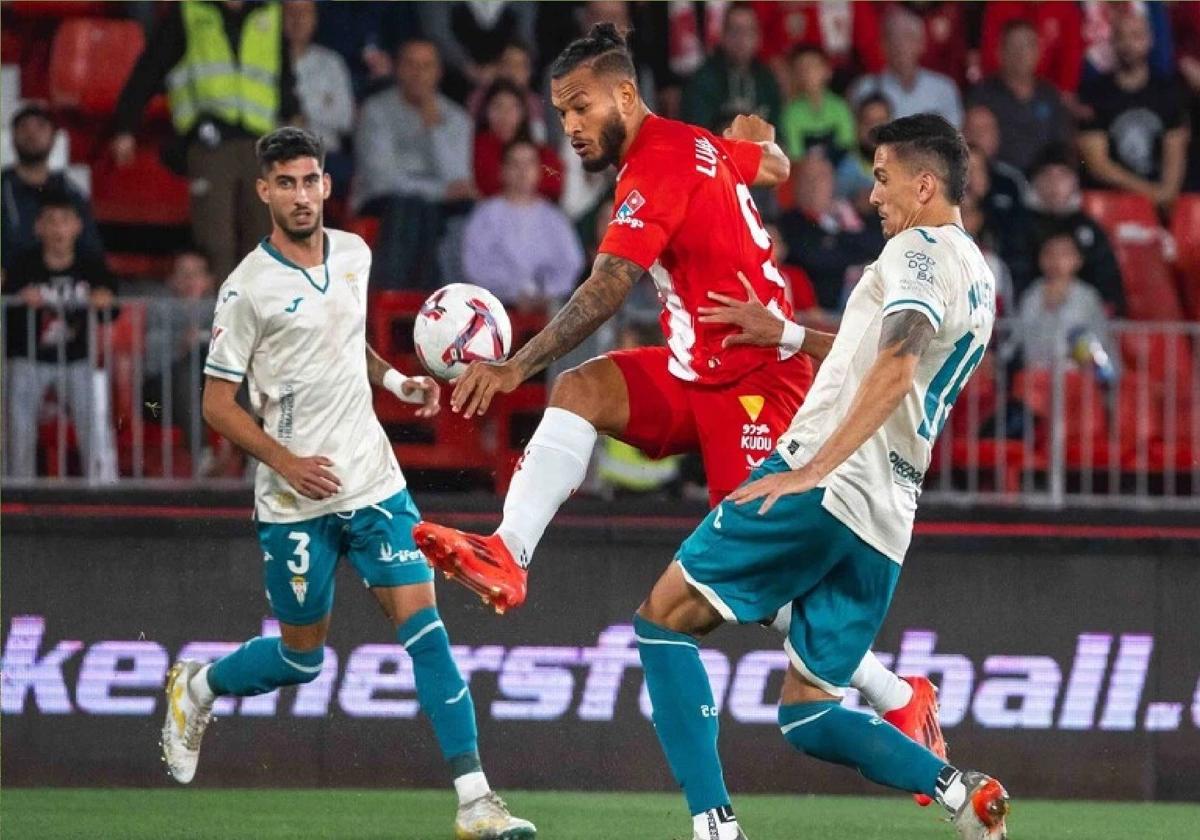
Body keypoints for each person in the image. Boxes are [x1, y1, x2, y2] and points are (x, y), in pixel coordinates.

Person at [413, 25, 947, 787]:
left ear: (624, 95)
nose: (567, 124)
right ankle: (510, 552)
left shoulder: (655, 167)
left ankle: (899, 693)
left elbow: (607, 287)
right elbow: (772, 160)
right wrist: (757, 146)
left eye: (579, 105)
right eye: (560, 110)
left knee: (752, 583)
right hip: (696, 371)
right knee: (584, 389)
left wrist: (514, 364)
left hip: (762, 381)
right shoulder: (688, 141)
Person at [632, 113, 1008, 840]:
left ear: (923, 184)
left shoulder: (917, 252)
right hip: (888, 515)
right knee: (808, 712)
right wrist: (790, 336)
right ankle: (958, 789)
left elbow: (895, 369)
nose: (872, 196)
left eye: (882, 177)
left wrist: (812, 469)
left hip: (831, 481)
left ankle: (714, 829)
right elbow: (880, 351)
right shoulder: (975, 274)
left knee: (664, 619)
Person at [158, 127, 534, 840]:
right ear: (265, 191)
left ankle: (477, 801)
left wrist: (396, 379)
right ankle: (198, 684)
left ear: (327, 184)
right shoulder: (246, 289)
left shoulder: (355, 254)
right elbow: (214, 404)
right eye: (286, 184)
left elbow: (342, 339)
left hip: (373, 484)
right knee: (302, 658)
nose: (302, 195)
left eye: (311, 181)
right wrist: (285, 461)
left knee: (427, 634)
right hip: (294, 502)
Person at [112, 0, 299, 281]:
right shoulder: (189, 11)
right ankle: (219, 319)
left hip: (261, 144)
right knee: (215, 243)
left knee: (265, 240)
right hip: (210, 143)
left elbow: (282, 76)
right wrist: (125, 125)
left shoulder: (269, 11)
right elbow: (150, 67)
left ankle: (261, 319)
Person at [4, 191, 117, 481]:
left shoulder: (91, 263)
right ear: (38, 227)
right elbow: (6, 306)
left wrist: (104, 299)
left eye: (64, 221)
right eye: (50, 222)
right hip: (28, 359)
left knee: (93, 426)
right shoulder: (21, 265)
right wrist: (16, 296)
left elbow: (112, 306)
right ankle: (20, 492)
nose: (58, 229)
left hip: (77, 359)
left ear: (77, 226)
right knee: (20, 429)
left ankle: (100, 489)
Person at [353, 39, 474, 289]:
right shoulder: (377, 110)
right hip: (385, 202)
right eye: (410, 64)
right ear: (398, 68)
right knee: (411, 206)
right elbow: (382, 179)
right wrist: (438, 191)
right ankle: (398, 297)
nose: (418, 74)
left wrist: (435, 129)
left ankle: (438, 300)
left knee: (462, 212)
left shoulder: (456, 118)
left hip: (436, 207)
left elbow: (457, 179)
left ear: (438, 72)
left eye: (426, 66)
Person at [1078, 11, 1188, 211]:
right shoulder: (1094, 93)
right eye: (1121, 37)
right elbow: (1097, 163)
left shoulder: (1168, 91)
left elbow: (1176, 151)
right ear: (1112, 42)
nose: (1128, 44)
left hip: (1162, 202)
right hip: (1111, 202)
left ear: (1150, 40)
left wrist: (1167, 194)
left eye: (1136, 36)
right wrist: (1152, 193)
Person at [462, 138, 585, 308]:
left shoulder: (555, 218)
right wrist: (513, 292)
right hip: (496, 304)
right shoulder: (485, 215)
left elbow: (571, 265)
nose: (523, 171)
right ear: (502, 170)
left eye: (529, 163)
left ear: (538, 170)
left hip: (549, 306)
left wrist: (545, 292)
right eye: (515, 164)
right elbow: (475, 266)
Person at [1, 102, 104, 272]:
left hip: (61, 288)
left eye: (40, 127)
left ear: (54, 138)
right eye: (24, 127)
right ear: (12, 137)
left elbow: (91, 250)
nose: (31, 134)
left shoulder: (72, 192)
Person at [1024, 146, 1125, 315]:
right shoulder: (1020, 226)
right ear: (1035, 181)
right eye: (1047, 176)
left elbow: (1108, 283)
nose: (1054, 185)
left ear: (1074, 182)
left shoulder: (1090, 228)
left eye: (1062, 176)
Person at [777, 153, 883, 312]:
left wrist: (837, 241)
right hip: (827, 308)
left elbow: (879, 244)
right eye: (809, 179)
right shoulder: (791, 221)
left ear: (833, 181)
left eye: (822, 178)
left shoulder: (848, 211)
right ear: (796, 184)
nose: (814, 186)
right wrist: (851, 245)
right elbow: (817, 259)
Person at [967, 19, 1072, 175]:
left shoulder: (1050, 95)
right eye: (1013, 46)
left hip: (1042, 183)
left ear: (1039, 51)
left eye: (1027, 46)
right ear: (999, 52)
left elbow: (1061, 145)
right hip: (996, 179)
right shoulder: (982, 95)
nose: (1020, 53)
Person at [141, 250, 217, 458]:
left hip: (211, 392)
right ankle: (202, 456)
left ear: (209, 280)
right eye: (183, 273)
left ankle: (252, 458)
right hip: (161, 395)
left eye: (197, 273)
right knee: (188, 371)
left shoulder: (223, 309)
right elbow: (152, 362)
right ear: (172, 280)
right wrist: (180, 345)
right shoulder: (159, 308)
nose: (190, 280)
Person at [1011, 234, 1118, 378]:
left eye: (1064, 254)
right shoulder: (1031, 296)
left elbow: (1099, 342)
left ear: (1078, 260)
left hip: (1079, 377)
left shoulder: (1087, 297)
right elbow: (1017, 340)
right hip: (1036, 377)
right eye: (1049, 253)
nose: (1056, 260)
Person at [283, 0, 355, 196]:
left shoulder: (331, 63)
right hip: (277, 156)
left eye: (304, 12)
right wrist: (322, 102)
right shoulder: (264, 59)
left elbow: (345, 118)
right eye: (291, 12)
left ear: (315, 19)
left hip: (324, 156)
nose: (297, 19)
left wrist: (302, 111)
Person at [847, 7, 962, 128]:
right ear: (883, 46)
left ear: (922, 44)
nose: (901, 46)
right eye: (894, 38)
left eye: (908, 37)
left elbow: (954, 139)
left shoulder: (944, 89)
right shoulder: (865, 88)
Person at [681, 3, 781, 133]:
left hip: (759, 151)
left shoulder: (766, 80)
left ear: (758, 36)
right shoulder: (703, 79)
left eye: (749, 30)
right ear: (723, 35)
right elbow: (696, 133)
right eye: (735, 30)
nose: (742, 38)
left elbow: (778, 134)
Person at [472, 79, 564, 202]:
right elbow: (486, 186)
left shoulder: (540, 151)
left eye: (513, 107)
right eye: (498, 106)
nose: (505, 115)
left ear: (523, 113)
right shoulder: (477, 146)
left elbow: (556, 180)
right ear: (485, 111)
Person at [779, 46, 855, 162]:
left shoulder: (840, 107)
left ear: (827, 71)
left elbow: (847, 147)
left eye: (813, 66)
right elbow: (796, 156)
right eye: (802, 68)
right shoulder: (791, 113)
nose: (808, 73)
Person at [834, 93, 891, 210]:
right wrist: (854, 204)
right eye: (868, 121)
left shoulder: (908, 164)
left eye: (881, 121)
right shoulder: (844, 168)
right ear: (857, 127)